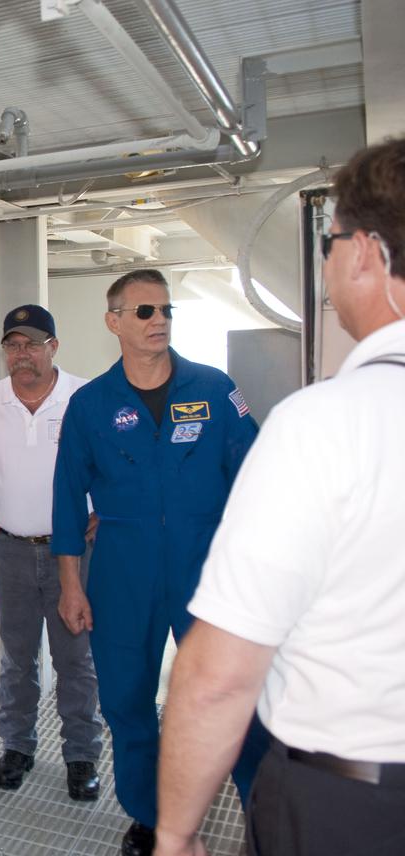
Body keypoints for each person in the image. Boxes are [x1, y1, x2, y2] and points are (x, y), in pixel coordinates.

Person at [155, 140, 405, 856]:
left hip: (352, 810)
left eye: (329, 244)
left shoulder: (327, 422)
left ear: (364, 253)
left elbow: (218, 677)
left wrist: (176, 834)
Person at [51, 270, 268, 856]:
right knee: (126, 699)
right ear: (114, 321)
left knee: (235, 693)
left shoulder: (216, 389)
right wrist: (72, 586)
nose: (159, 320)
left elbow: (258, 480)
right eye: (144, 311)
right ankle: (149, 815)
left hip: (210, 568)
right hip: (124, 568)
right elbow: (67, 501)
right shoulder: (90, 405)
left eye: (166, 310)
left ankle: (262, 814)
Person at [0, 304, 103, 800]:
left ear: (54, 347)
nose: (22, 354)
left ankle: (81, 754)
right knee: (16, 655)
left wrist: (107, 507)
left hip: (72, 554)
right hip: (10, 549)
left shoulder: (85, 397)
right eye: (13, 345)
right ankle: (17, 746)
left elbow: (115, 460)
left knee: (75, 656)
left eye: (33, 344)